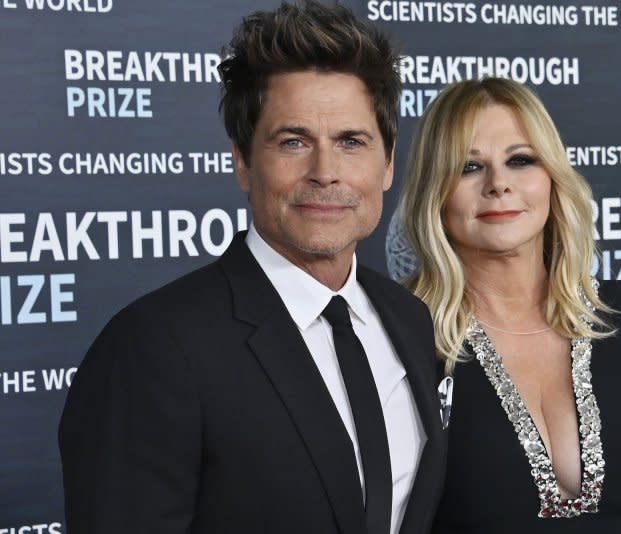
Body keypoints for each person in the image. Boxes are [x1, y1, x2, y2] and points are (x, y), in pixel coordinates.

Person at [58, 2, 446, 533]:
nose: (325, 172)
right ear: (242, 161)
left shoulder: (409, 319)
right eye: (293, 142)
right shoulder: (153, 346)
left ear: (387, 163)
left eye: (351, 142)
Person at [395, 77, 621, 533]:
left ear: (552, 176)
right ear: (435, 190)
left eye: (520, 160)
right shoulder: (400, 340)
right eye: (469, 167)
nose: (498, 185)